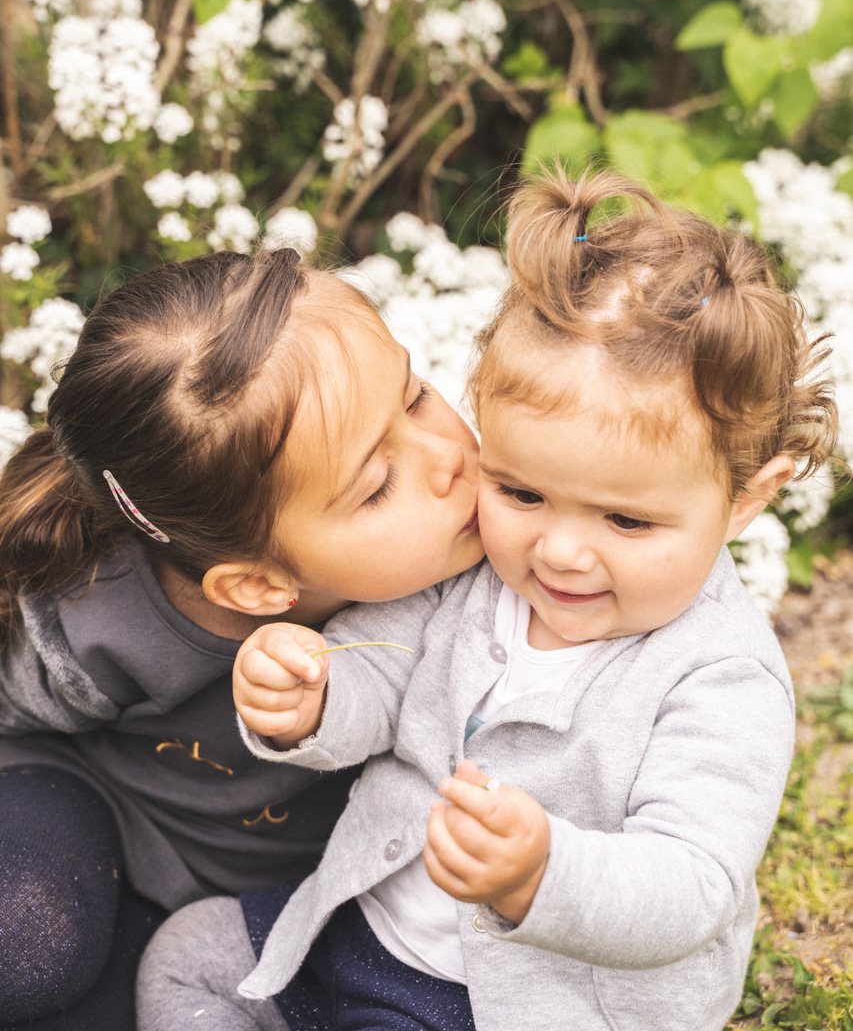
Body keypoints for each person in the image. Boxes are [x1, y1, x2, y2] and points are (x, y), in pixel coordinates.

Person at [137, 169, 838, 1031]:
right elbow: (381, 675)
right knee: (189, 954)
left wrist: (543, 874)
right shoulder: (478, 576)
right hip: (365, 928)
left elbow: (691, 884)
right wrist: (313, 697)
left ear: (745, 497)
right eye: (521, 493)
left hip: (515, 1000)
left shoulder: (718, 677)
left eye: (625, 518)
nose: (560, 551)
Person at [0, 246, 482, 1031]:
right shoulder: (98, 619)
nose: (448, 459)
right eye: (376, 485)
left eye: (418, 397)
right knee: (24, 937)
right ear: (257, 585)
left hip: (284, 901)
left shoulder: (494, 550)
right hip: (94, 809)